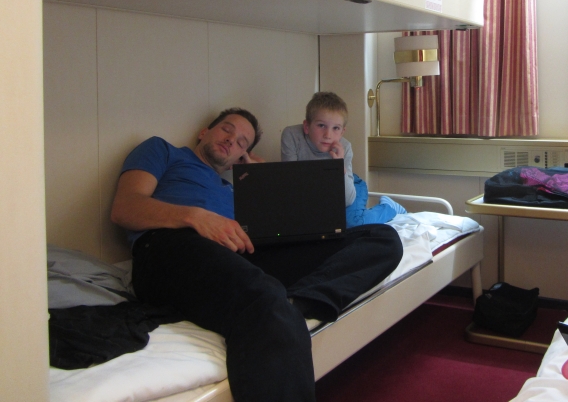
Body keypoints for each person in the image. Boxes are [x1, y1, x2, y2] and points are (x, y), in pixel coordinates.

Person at [110, 108, 403, 402]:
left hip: (238, 256)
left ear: (241, 156)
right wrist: (196, 218)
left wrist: (262, 180)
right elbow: (125, 208)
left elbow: (283, 226)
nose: (231, 140)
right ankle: (274, 306)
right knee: (264, 296)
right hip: (171, 247)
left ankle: (298, 301)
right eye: (227, 130)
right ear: (204, 132)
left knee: (381, 238)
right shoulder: (163, 151)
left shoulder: (233, 189)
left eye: (242, 143)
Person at [281, 92, 406, 226]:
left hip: (349, 183)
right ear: (307, 127)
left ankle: (389, 208)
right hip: (319, 189)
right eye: (321, 125)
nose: (328, 135)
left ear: (342, 132)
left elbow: (347, 200)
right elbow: (291, 184)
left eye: (336, 128)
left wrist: (338, 166)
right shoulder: (292, 136)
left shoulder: (344, 147)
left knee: (351, 222)